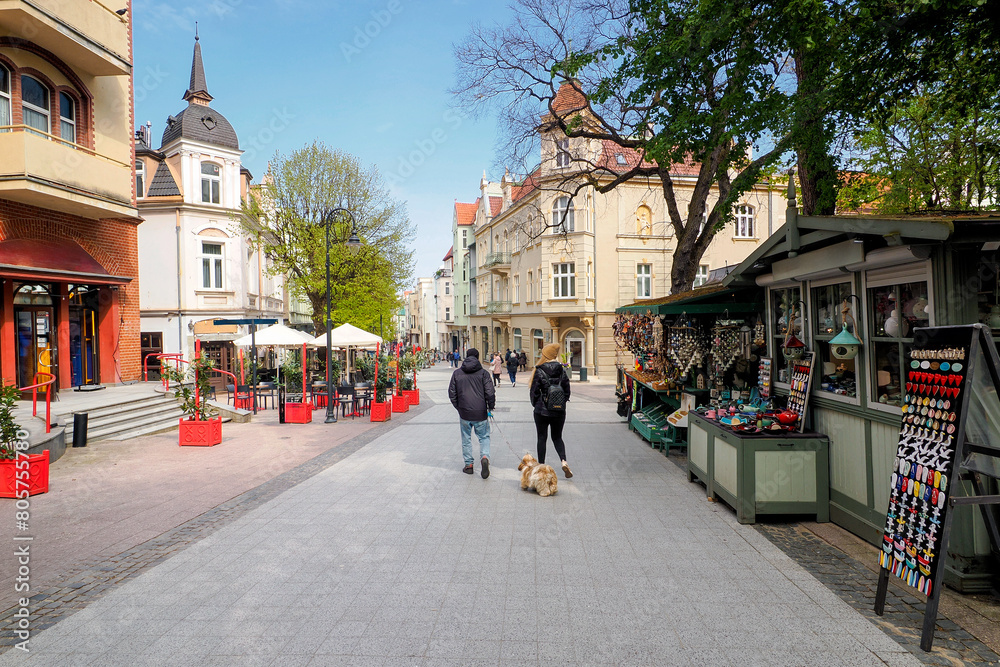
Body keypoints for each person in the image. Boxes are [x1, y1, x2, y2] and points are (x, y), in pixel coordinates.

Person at [448, 348, 496, 478]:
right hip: (480, 412)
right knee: (484, 437)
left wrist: (459, 407)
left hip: (464, 413)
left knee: (466, 438)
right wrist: (490, 407)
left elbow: (451, 393)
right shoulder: (483, 373)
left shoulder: (457, 373)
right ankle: (485, 457)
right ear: (478, 357)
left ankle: (469, 465)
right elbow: (490, 392)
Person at [529, 343, 573, 478]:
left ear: (545, 355)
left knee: (542, 438)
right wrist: (560, 404)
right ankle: (564, 461)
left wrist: (536, 404)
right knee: (557, 437)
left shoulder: (539, 370)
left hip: (541, 411)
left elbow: (534, 391)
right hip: (559, 411)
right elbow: (567, 392)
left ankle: (541, 467)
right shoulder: (562, 370)